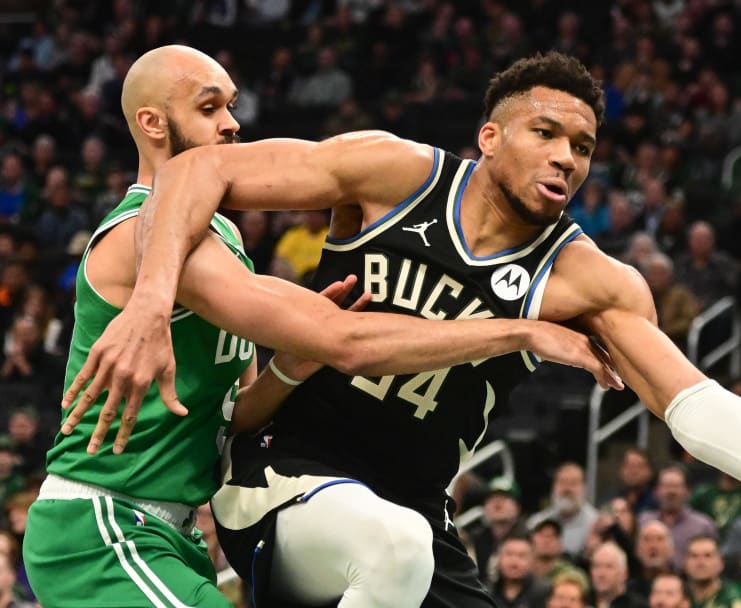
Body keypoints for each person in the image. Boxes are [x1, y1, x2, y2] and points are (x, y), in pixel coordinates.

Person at [76, 51, 741, 606]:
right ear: (490, 138)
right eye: (545, 133)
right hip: (283, 477)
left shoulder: (589, 278)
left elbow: (689, 403)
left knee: (405, 540)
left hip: (414, 510)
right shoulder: (393, 173)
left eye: (582, 145)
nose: (565, 157)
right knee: (392, 546)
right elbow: (200, 168)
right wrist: (152, 300)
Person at [24, 46, 618, 608]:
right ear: (153, 124)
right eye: (209, 109)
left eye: (232, 105)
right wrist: (521, 331)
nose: (232, 124)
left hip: (172, 531)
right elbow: (348, 342)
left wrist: (289, 366)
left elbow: (237, 416)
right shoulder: (140, 234)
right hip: (103, 523)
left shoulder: (226, 239)